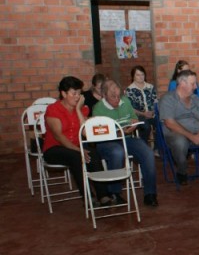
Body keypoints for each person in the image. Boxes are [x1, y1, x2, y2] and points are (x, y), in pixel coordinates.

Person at [42, 76, 112, 207]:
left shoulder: (82, 109)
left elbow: (86, 133)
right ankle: (88, 197)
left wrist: (79, 110)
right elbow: (58, 136)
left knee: (94, 154)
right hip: (54, 149)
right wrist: (78, 150)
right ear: (63, 93)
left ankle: (104, 195)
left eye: (79, 93)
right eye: (74, 93)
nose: (77, 97)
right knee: (76, 157)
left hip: (75, 147)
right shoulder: (53, 109)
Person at [93, 79, 159, 207]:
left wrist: (133, 125)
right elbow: (100, 134)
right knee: (117, 152)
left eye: (119, 96)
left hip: (127, 137)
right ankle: (115, 193)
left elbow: (133, 118)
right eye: (113, 97)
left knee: (148, 153)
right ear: (104, 95)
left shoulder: (125, 101)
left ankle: (150, 193)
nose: (117, 99)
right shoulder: (98, 109)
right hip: (107, 141)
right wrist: (117, 133)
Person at [158, 69, 199, 185]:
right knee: (180, 142)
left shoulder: (195, 99)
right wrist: (192, 137)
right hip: (175, 132)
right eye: (193, 84)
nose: (195, 87)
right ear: (182, 84)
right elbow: (170, 123)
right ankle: (182, 171)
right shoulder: (167, 99)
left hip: (198, 131)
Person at [124, 65, 157, 145]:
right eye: (138, 75)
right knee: (146, 126)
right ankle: (144, 146)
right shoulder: (130, 90)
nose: (141, 77)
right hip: (138, 115)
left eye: (142, 74)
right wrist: (143, 113)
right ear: (133, 76)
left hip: (152, 114)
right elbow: (130, 108)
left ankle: (157, 149)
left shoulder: (150, 87)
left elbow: (155, 101)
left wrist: (152, 111)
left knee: (162, 124)